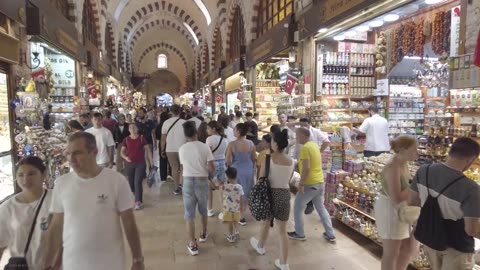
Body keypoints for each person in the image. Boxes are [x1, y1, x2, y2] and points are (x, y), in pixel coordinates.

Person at [43, 132, 144, 270]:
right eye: (68, 154)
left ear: (94, 152)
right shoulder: (61, 184)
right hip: (73, 263)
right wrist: (48, 263)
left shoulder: (116, 181)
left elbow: (129, 223)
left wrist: (137, 259)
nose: (71, 159)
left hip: (109, 263)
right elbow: (56, 227)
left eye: (77, 153)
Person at [409, 137, 480, 270]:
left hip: (430, 236)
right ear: (470, 159)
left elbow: (412, 201)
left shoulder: (424, 170)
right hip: (456, 245)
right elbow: (471, 230)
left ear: (450, 152)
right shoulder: (470, 188)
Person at [251, 130, 294, 270]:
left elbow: (261, 179)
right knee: (282, 231)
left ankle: (260, 246)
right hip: (284, 195)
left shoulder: (268, 159)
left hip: (269, 194)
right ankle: (283, 263)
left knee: (265, 222)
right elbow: (288, 180)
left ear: (275, 143)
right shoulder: (291, 161)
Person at [0, 157, 54, 269]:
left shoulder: (56, 200)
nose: (25, 180)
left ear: (43, 174)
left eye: (31, 174)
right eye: (20, 175)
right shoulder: (7, 208)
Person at [374, 136, 419, 270]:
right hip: (390, 212)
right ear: (403, 149)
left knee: (407, 247)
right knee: (391, 253)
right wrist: (416, 186)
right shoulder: (393, 167)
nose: (417, 152)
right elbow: (397, 197)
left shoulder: (403, 163)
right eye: (414, 149)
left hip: (399, 211)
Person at [288, 128, 336, 242]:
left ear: (304, 136)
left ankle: (299, 233)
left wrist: (301, 183)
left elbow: (306, 167)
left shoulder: (305, 148)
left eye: (298, 136)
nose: (297, 138)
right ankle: (330, 234)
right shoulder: (314, 145)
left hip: (310, 183)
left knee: (298, 207)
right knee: (321, 208)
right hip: (319, 182)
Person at [178, 121, 214, 256]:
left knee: (189, 214)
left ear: (185, 134)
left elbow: (183, 168)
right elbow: (211, 168)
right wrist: (210, 176)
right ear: (196, 132)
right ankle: (203, 233)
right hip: (202, 180)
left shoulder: (182, 149)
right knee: (203, 209)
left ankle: (193, 244)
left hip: (187, 181)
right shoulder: (204, 147)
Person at [226, 123, 256, 225]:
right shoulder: (251, 143)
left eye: (234, 129)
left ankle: (237, 213)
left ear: (238, 132)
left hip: (236, 171)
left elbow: (228, 161)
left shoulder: (232, 144)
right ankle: (242, 215)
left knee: (236, 192)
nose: (233, 131)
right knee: (246, 192)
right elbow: (253, 159)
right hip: (248, 170)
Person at [121, 123, 154, 210]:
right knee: (131, 184)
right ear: (128, 130)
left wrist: (151, 163)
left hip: (140, 163)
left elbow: (148, 151)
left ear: (137, 129)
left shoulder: (142, 138)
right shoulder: (126, 139)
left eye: (134, 127)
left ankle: (138, 201)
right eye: (130, 128)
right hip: (130, 164)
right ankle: (135, 196)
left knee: (137, 182)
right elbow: (122, 152)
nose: (132, 129)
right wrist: (125, 157)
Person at [161, 104, 187, 195]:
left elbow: (163, 139)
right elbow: (188, 137)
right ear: (180, 112)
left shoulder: (166, 123)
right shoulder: (184, 122)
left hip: (170, 149)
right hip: (182, 148)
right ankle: (181, 184)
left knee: (174, 168)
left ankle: (176, 188)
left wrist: (162, 150)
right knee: (183, 167)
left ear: (171, 112)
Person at [205, 120, 228, 217]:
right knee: (222, 187)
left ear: (213, 129)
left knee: (209, 187)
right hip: (222, 163)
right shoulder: (225, 139)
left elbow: (207, 154)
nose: (207, 130)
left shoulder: (209, 139)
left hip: (212, 163)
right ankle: (223, 211)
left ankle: (210, 209)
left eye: (208, 128)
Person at [222, 167, 244, 243]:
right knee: (235, 221)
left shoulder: (225, 186)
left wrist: (210, 180)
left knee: (230, 223)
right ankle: (237, 231)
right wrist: (241, 209)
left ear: (227, 177)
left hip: (227, 209)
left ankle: (231, 236)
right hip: (236, 209)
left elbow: (215, 187)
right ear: (236, 175)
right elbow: (241, 199)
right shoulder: (240, 187)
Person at [155, 111, 171, 181]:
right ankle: (170, 174)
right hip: (170, 143)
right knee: (170, 160)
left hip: (162, 144)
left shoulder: (159, 126)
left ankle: (163, 176)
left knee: (162, 160)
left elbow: (157, 136)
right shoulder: (169, 125)